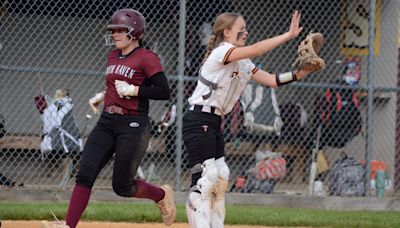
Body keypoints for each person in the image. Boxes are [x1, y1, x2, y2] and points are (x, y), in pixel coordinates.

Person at [183, 11, 319, 228]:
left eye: (246, 29)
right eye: (241, 29)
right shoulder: (223, 51)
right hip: (198, 118)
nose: (246, 32)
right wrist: (289, 35)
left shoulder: (243, 62)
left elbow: (272, 80)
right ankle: (196, 212)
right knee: (207, 179)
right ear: (227, 33)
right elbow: (257, 49)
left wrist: (301, 74)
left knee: (222, 177)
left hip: (214, 121)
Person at [41, 9, 175, 228]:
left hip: (133, 125)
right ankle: (68, 225)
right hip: (106, 122)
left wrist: (134, 90)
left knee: (122, 186)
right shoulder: (113, 55)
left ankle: (161, 194)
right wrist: (103, 96)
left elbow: (163, 91)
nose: (114, 34)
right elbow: (115, 84)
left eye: (120, 30)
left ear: (135, 32)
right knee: (85, 172)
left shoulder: (147, 57)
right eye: (113, 30)